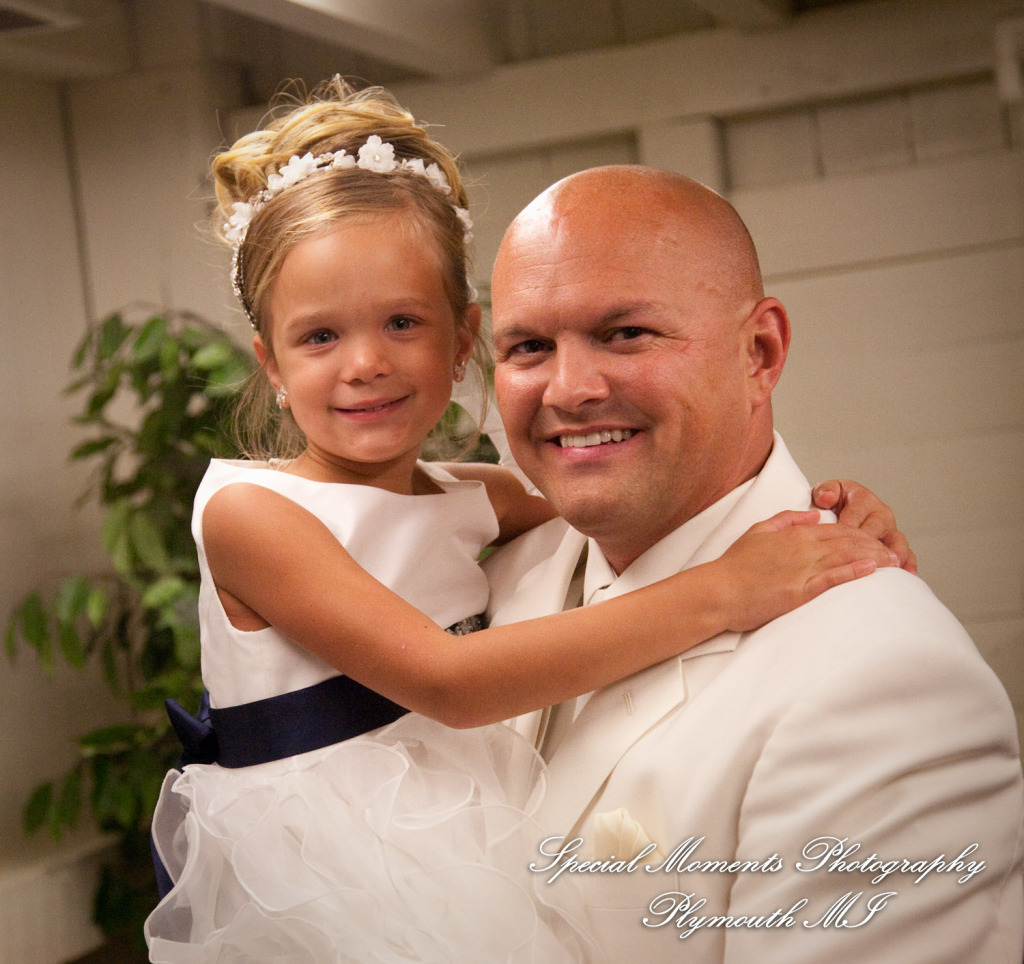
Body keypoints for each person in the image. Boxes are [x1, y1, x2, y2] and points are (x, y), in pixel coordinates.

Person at [144, 79, 907, 962]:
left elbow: (650, 503)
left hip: (468, 823)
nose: (364, 364)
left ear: (462, 340)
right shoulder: (254, 514)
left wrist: (823, 514)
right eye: (319, 338)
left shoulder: (476, 496)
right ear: (269, 362)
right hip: (328, 863)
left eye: (402, 322)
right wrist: (729, 589)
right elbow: (450, 683)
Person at [483, 164, 1024, 962]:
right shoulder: (483, 575)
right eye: (529, 346)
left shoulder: (882, 678)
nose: (569, 388)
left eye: (625, 333)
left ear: (760, 352)